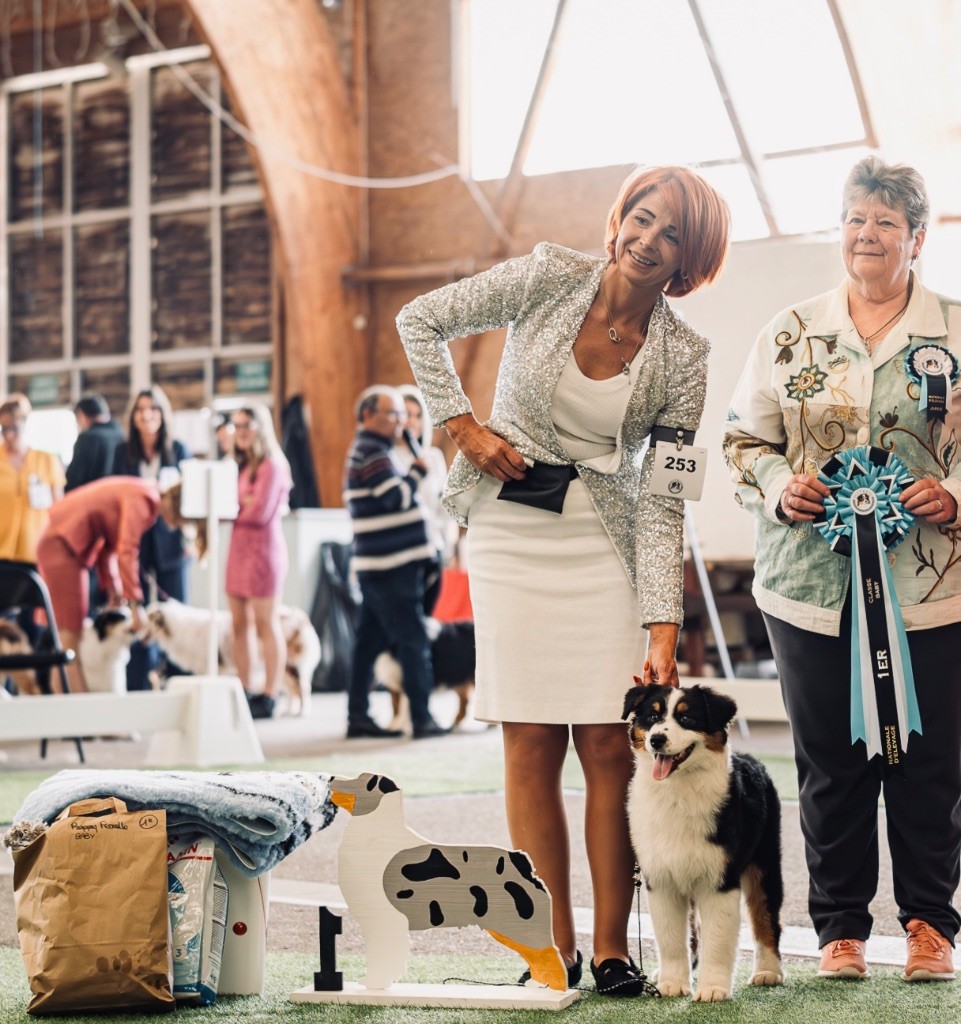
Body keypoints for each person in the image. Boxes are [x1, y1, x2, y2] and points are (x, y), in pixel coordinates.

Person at [396, 166, 730, 994]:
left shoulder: (686, 356)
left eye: (672, 235)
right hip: (510, 536)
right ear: (619, 218)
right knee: (529, 743)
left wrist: (662, 625)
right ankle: (550, 949)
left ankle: (612, 949)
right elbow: (419, 318)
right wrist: (462, 426)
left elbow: (665, 498)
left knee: (609, 747)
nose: (646, 241)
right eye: (641, 219)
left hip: (607, 548)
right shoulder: (548, 275)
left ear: (690, 260)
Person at [724, 156, 961, 983]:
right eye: (855, 219)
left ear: (916, 238)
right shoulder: (789, 332)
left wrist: (953, 493)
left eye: (885, 223)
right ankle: (839, 931)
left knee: (929, 761)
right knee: (830, 762)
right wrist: (774, 485)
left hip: (931, 589)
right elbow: (742, 439)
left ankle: (930, 926)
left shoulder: (953, 332)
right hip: (807, 591)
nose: (866, 235)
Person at [343, 385, 449, 740]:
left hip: (385, 565)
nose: (400, 422)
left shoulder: (374, 450)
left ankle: (357, 715)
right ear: (367, 415)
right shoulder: (372, 452)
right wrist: (417, 472)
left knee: (369, 642)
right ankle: (422, 718)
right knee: (413, 639)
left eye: (402, 415)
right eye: (392, 414)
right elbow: (396, 498)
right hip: (389, 568)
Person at [35, 475, 191, 693]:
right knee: (70, 635)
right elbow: (127, 551)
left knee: (67, 636)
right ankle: (79, 708)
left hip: (62, 541)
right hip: (61, 543)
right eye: (184, 520)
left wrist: (114, 589)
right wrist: (135, 607)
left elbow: (109, 546)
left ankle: (70, 704)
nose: (179, 526)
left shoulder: (145, 494)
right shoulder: (144, 500)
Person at [112, 386, 191, 690]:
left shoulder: (178, 450)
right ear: (133, 416)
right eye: (141, 409)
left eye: (153, 409)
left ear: (163, 414)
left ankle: (178, 679)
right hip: (136, 541)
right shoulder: (123, 452)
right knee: (138, 610)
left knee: (177, 612)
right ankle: (139, 683)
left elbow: (187, 499)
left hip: (172, 542)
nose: (147, 415)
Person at [225, 404, 292, 720]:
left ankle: (270, 692)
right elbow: (231, 506)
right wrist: (242, 504)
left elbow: (260, 512)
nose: (241, 432)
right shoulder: (238, 466)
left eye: (247, 425)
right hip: (238, 550)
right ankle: (245, 687)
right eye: (236, 426)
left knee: (266, 623)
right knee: (239, 624)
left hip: (264, 552)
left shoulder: (273, 465)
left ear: (260, 428)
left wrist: (237, 506)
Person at [394, 383, 459, 613]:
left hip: (432, 550)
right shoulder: (388, 458)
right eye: (405, 414)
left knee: (427, 615)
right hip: (399, 552)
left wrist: (447, 545)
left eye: (417, 415)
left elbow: (444, 507)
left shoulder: (433, 458)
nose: (411, 422)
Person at [0, 394, 65, 565]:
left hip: (36, 551)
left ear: (25, 423)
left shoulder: (46, 460)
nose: (9, 435)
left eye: (14, 428)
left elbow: (59, 509)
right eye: (3, 429)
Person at [65, 393, 124, 492]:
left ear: (81, 415)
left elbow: (74, 481)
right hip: (120, 499)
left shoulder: (86, 438)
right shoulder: (122, 435)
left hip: (93, 498)